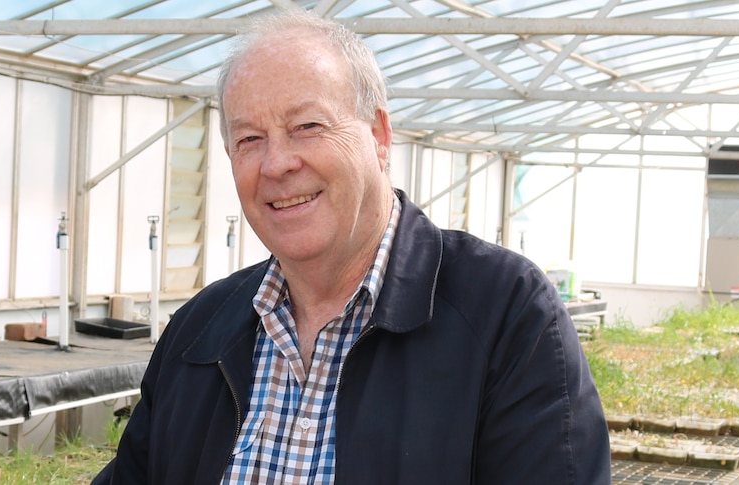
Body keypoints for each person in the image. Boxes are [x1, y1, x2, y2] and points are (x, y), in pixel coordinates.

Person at [93, 9, 610, 485]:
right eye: (249, 139)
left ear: (380, 135)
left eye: (307, 127)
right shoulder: (199, 331)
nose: (277, 164)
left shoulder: (505, 314)